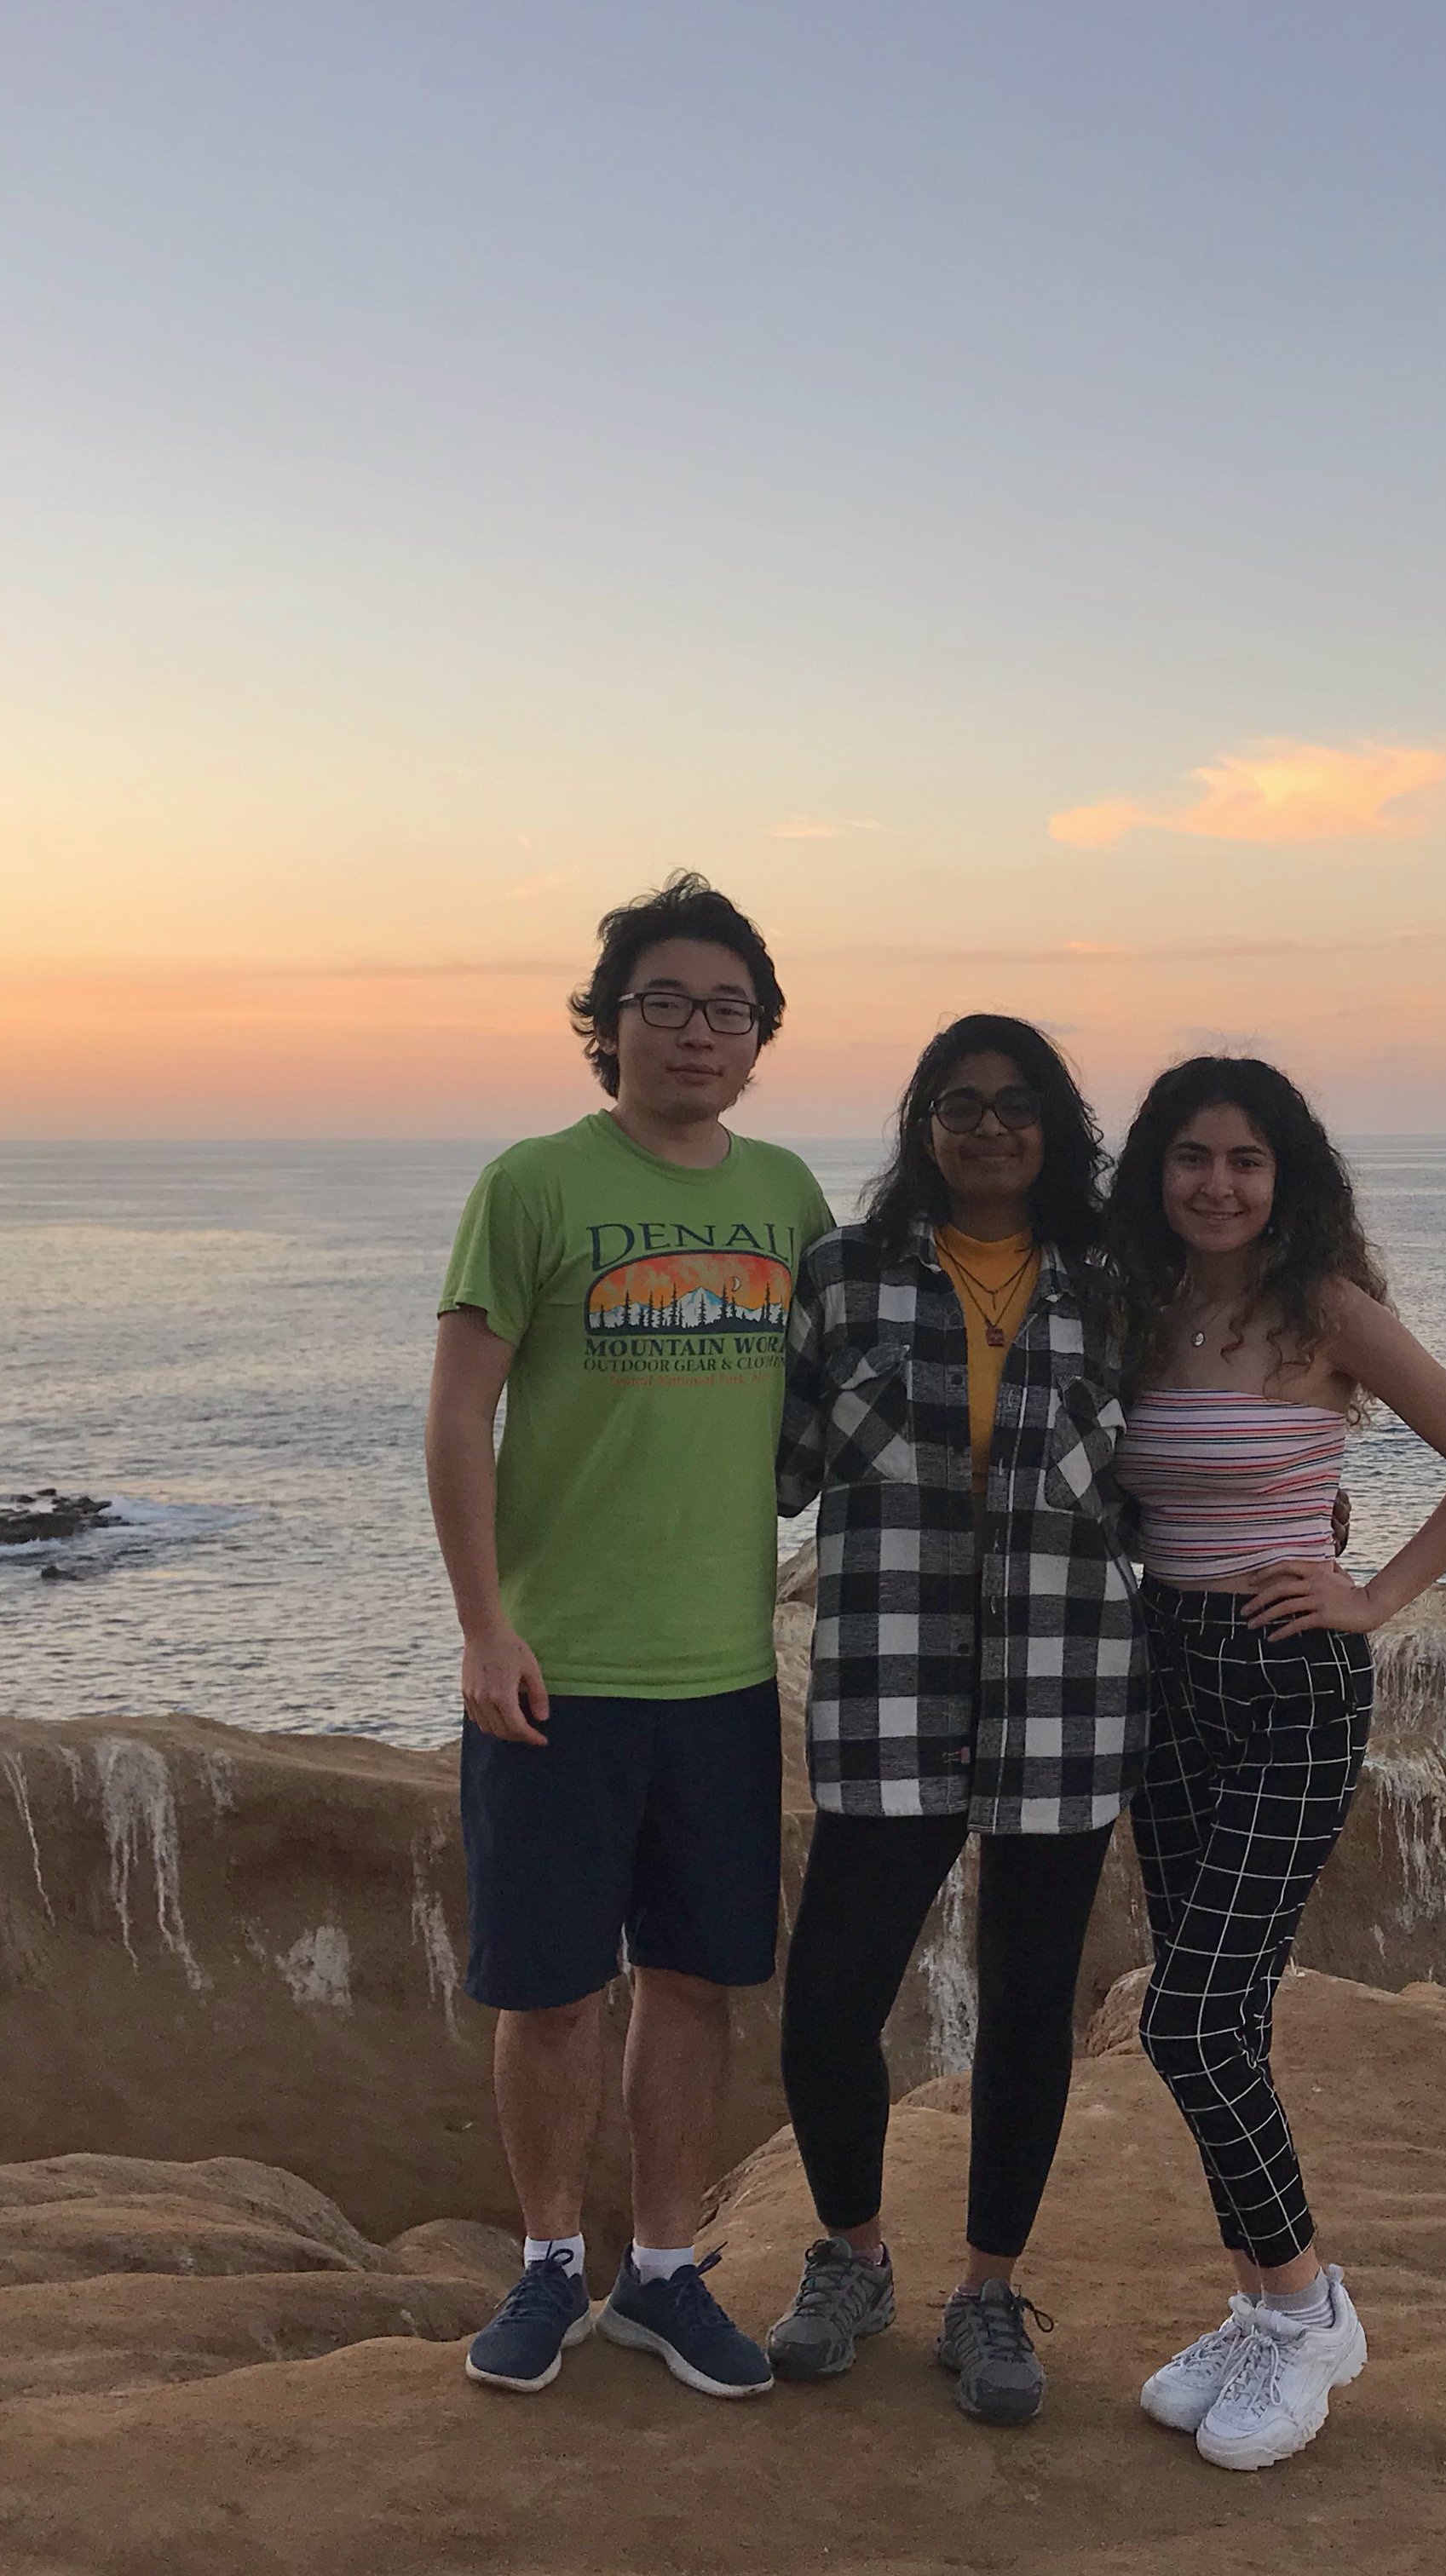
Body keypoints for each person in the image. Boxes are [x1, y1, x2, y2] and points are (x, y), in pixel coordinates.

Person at [427, 872, 835, 2403]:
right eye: (662, 1003)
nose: (696, 1032)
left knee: (695, 1979)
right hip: (557, 1670)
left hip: (724, 1674)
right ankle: (546, 2267)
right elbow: (461, 1409)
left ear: (759, 1038)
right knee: (547, 1988)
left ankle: (664, 2273)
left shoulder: (790, 1201)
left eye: (728, 1009)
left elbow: (890, 1393)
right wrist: (484, 1625)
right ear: (606, 1028)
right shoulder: (531, 1187)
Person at [1105, 1056, 1446, 2471]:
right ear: (1154, 1173)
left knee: (1188, 2016)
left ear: (1286, 1179)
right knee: (1219, 2018)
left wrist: (1373, 1591)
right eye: (1189, 1158)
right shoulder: (1135, 1311)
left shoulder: (1328, 1314)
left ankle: (1307, 2306)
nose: (1215, 1184)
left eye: (1244, 1160)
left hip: (1291, 1683)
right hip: (1164, 1678)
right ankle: (1256, 2304)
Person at [762, 1015, 1145, 2425]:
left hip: (1065, 1684)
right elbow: (772, 1466)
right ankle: (854, 2258)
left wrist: (1310, 1514)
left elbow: (1177, 1458)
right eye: (959, 1103)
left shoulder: (1116, 1285)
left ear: (1059, 1128)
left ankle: (987, 2292)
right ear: (922, 1126)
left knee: (1029, 2005)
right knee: (827, 2007)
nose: (990, 1127)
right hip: (888, 1682)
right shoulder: (845, 1278)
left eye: (1018, 1104)